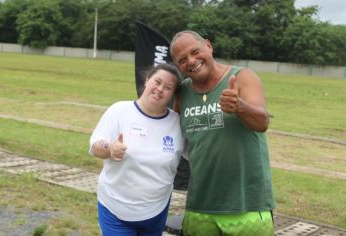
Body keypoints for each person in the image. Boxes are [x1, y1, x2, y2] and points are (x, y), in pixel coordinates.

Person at [170, 30, 276, 236]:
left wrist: (239, 106)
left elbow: (262, 122)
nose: (191, 61)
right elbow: (170, 135)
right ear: (177, 66)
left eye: (195, 51)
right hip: (200, 205)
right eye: (182, 60)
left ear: (208, 46)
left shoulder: (243, 77)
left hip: (247, 205)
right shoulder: (182, 92)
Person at [89, 63, 185, 236]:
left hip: (156, 211)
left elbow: (199, 154)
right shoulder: (119, 110)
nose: (160, 89)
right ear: (147, 80)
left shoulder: (177, 123)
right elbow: (96, 146)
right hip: (115, 209)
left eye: (168, 87)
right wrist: (110, 148)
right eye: (157, 81)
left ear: (173, 94)